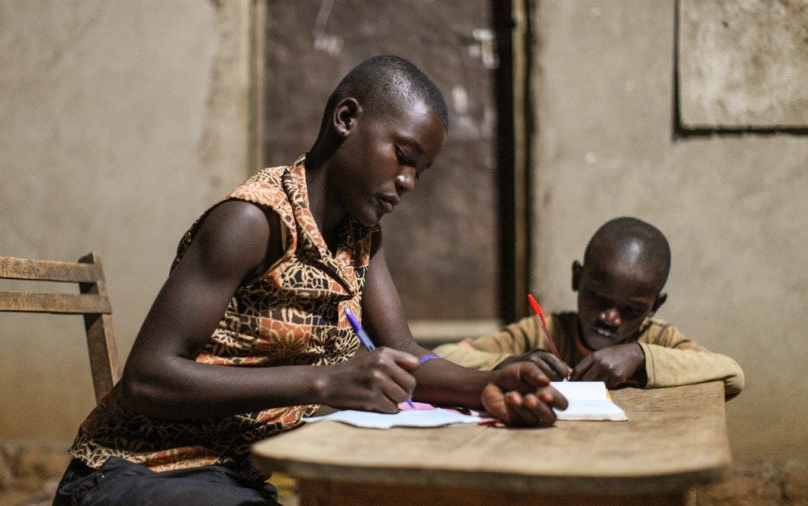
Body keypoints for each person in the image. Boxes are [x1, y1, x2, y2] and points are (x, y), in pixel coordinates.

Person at [53, 55, 567, 506]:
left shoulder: (363, 238)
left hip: (230, 480)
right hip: (133, 472)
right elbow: (147, 378)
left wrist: (485, 387)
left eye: (422, 171)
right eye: (404, 157)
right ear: (346, 119)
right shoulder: (252, 222)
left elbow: (402, 351)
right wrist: (325, 381)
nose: (409, 183)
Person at [433, 217, 745, 399]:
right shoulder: (543, 332)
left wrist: (639, 357)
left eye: (632, 308)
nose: (610, 317)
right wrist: (513, 364)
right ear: (577, 278)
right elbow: (445, 356)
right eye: (599, 297)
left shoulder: (657, 339)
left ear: (654, 306)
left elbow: (732, 374)